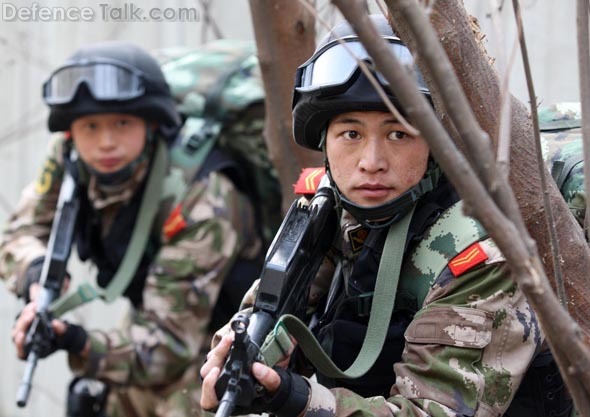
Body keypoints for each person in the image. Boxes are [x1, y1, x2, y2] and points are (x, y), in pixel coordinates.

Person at [200, 15, 573, 417]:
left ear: (435, 142)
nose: (371, 163)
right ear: (325, 141)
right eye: (351, 134)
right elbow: (274, 304)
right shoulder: (330, 207)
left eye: (398, 134)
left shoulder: (480, 254)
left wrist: (299, 400)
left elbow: (433, 411)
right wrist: (242, 351)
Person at [1, 41, 265, 417]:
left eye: (122, 124)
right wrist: (38, 278)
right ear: (71, 133)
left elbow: (166, 350)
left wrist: (75, 341)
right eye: (91, 126)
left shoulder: (201, 197)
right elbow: (20, 232)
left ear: (153, 122)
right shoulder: (70, 157)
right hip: (156, 317)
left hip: (216, 341)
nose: (106, 142)